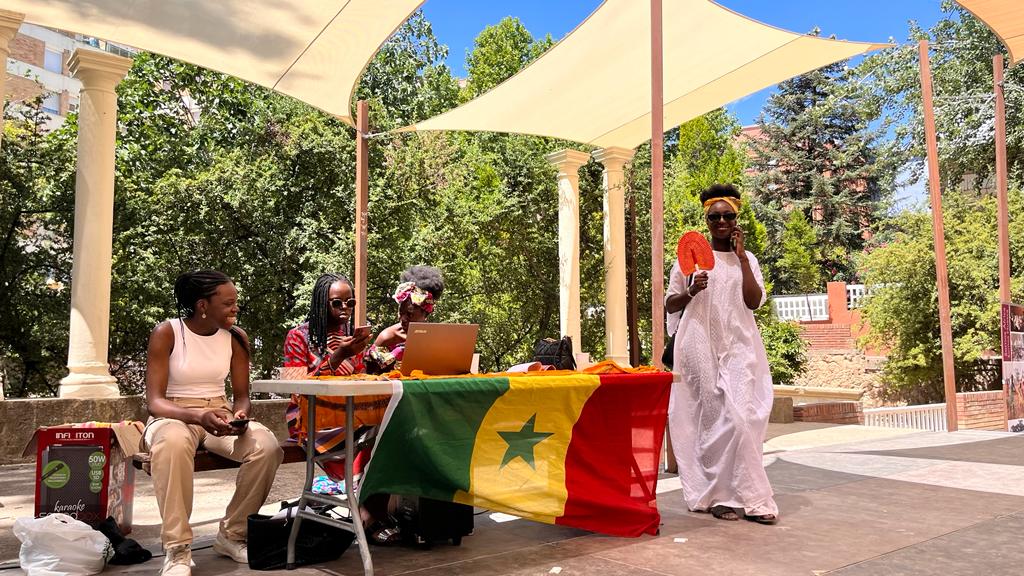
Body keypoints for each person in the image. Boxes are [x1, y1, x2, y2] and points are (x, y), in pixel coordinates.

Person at [144, 270, 284, 576]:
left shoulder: (236, 337)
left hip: (219, 413)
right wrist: (197, 417)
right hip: (173, 415)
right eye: (228, 303)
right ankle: (177, 549)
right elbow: (154, 401)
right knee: (173, 444)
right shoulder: (167, 333)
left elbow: (242, 396)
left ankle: (232, 535)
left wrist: (240, 416)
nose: (235, 308)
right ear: (202, 305)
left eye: (236, 302)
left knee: (267, 446)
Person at [665, 183, 778, 525]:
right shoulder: (688, 262)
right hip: (698, 344)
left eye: (728, 215)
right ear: (707, 220)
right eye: (714, 217)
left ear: (737, 219)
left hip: (741, 344)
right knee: (714, 421)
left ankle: (754, 497)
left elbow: (753, 301)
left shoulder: (749, 259)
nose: (721, 222)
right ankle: (718, 495)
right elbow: (670, 304)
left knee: (743, 419)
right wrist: (690, 291)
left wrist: (742, 258)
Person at [281, 273, 395, 544]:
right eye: (337, 303)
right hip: (312, 419)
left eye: (350, 303)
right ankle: (369, 515)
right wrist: (336, 357)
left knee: (400, 429)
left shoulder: (350, 337)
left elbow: (354, 378)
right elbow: (294, 386)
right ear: (321, 303)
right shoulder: (299, 336)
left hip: (353, 413)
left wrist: (373, 366)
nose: (345, 310)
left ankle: (369, 512)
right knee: (387, 433)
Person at [368, 265, 444, 372]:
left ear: (426, 313)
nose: (403, 319)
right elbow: (369, 372)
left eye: (409, 314)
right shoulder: (388, 337)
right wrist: (392, 357)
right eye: (401, 312)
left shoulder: (438, 338)